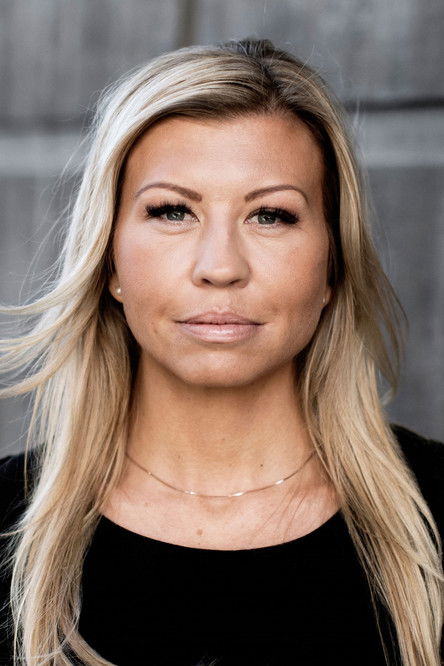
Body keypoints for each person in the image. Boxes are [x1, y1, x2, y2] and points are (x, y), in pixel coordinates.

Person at [0, 37, 442, 666]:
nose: (220, 267)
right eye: (173, 211)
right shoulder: (6, 524)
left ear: (332, 266)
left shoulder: (434, 518)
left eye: (271, 216)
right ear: (110, 260)